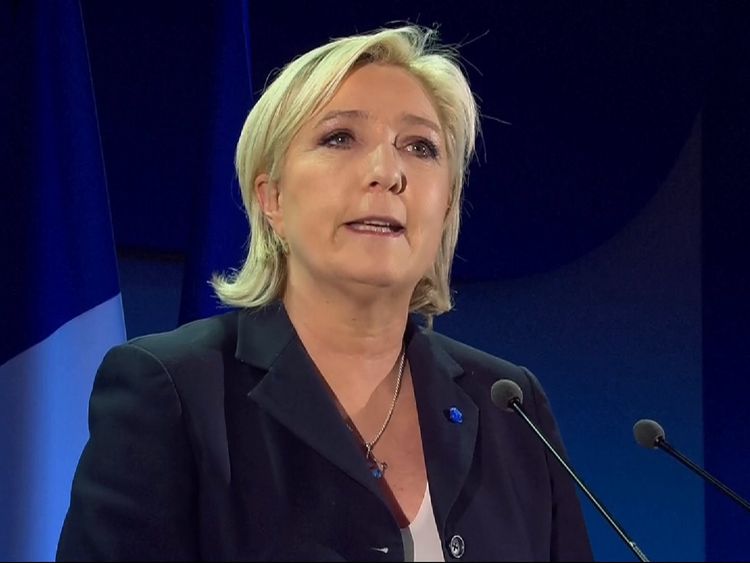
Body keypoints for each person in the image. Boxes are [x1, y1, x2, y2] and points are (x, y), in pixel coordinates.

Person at [56, 25, 592, 562]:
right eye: (340, 138)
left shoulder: (509, 403)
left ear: (446, 206)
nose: (388, 173)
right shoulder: (170, 392)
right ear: (273, 200)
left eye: (420, 147)